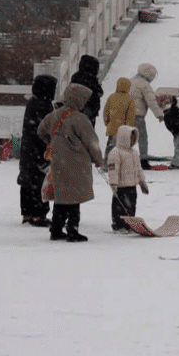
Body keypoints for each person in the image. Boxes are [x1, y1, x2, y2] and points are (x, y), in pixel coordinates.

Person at [37, 83, 104, 242]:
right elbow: (91, 142)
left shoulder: (54, 115)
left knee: (61, 196)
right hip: (76, 162)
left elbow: (40, 130)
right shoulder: (80, 118)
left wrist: (53, 143)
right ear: (79, 100)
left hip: (58, 161)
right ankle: (73, 230)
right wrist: (98, 160)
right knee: (74, 198)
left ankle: (56, 229)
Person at [18, 74, 57, 227]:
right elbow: (45, 130)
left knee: (27, 180)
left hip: (27, 148)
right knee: (40, 181)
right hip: (40, 149)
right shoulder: (45, 105)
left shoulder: (32, 103)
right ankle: (39, 215)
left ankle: (27, 214)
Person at [106, 125, 149, 234]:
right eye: (130, 138)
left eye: (134, 139)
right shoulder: (115, 153)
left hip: (132, 185)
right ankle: (118, 225)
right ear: (123, 138)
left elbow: (138, 169)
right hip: (121, 187)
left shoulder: (134, 153)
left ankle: (129, 224)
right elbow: (113, 170)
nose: (132, 141)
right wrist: (113, 183)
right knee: (119, 207)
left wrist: (142, 182)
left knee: (131, 206)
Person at [129, 63, 165, 171]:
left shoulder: (130, 81)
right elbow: (151, 101)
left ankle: (124, 159)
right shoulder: (145, 85)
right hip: (137, 115)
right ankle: (143, 160)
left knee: (127, 137)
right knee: (142, 137)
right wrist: (159, 114)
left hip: (125, 115)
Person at [102, 77, 137, 160]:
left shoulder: (112, 97)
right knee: (121, 148)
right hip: (123, 129)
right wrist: (129, 128)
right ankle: (119, 162)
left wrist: (107, 122)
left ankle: (107, 161)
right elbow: (130, 116)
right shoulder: (130, 99)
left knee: (110, 145)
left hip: (112, 127)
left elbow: (106, 112)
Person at [69, 54, 103, 126]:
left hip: (73, 113)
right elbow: (98, 94)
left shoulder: (76, 77)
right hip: (88, 113)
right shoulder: (91, 80)